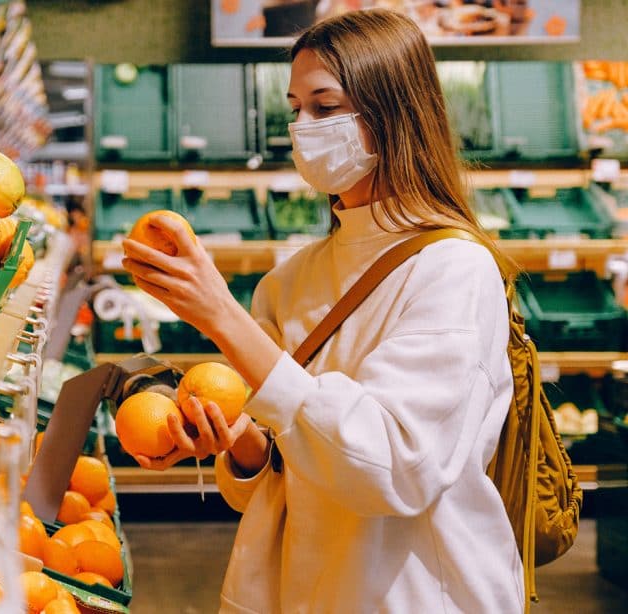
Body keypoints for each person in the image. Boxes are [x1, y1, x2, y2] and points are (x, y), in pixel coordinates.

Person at [121, 9, 525, 613]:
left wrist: (220, 317)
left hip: (414, 595)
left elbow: (393, 469)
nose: (302, 127)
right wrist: (236, 443)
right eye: (295, 108)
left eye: (325, 107)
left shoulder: (453, 270)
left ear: (393, 112)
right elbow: (286, 465)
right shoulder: (292, 280)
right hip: (302, 589)